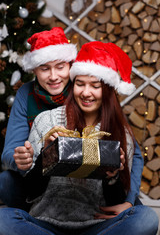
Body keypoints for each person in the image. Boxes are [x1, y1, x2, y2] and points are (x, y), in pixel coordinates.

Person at [0, 41, 158, 235]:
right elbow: (30, 193)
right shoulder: (48, 121)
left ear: (107, 90)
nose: (85, 92)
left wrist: (113, 177)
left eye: (95, 86)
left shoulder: (119, 132)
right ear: (73, 85)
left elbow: (115, 202)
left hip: (96, 226)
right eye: (80, 84)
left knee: (146, 218)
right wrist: (45, 157)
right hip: (46, 223)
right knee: (3, 219)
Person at [0, 27, 77, 209]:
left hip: (80, 182)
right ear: (34, 69)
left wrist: (128, 200)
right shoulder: (25, 94)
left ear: (70, 65)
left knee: (142, 218)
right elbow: (8, 152)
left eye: (60, 67)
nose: (53, 77)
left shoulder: (83, 89)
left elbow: (130, 151)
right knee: (5, 181)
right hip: (38, 182)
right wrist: (21, 160)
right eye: (44, 69)